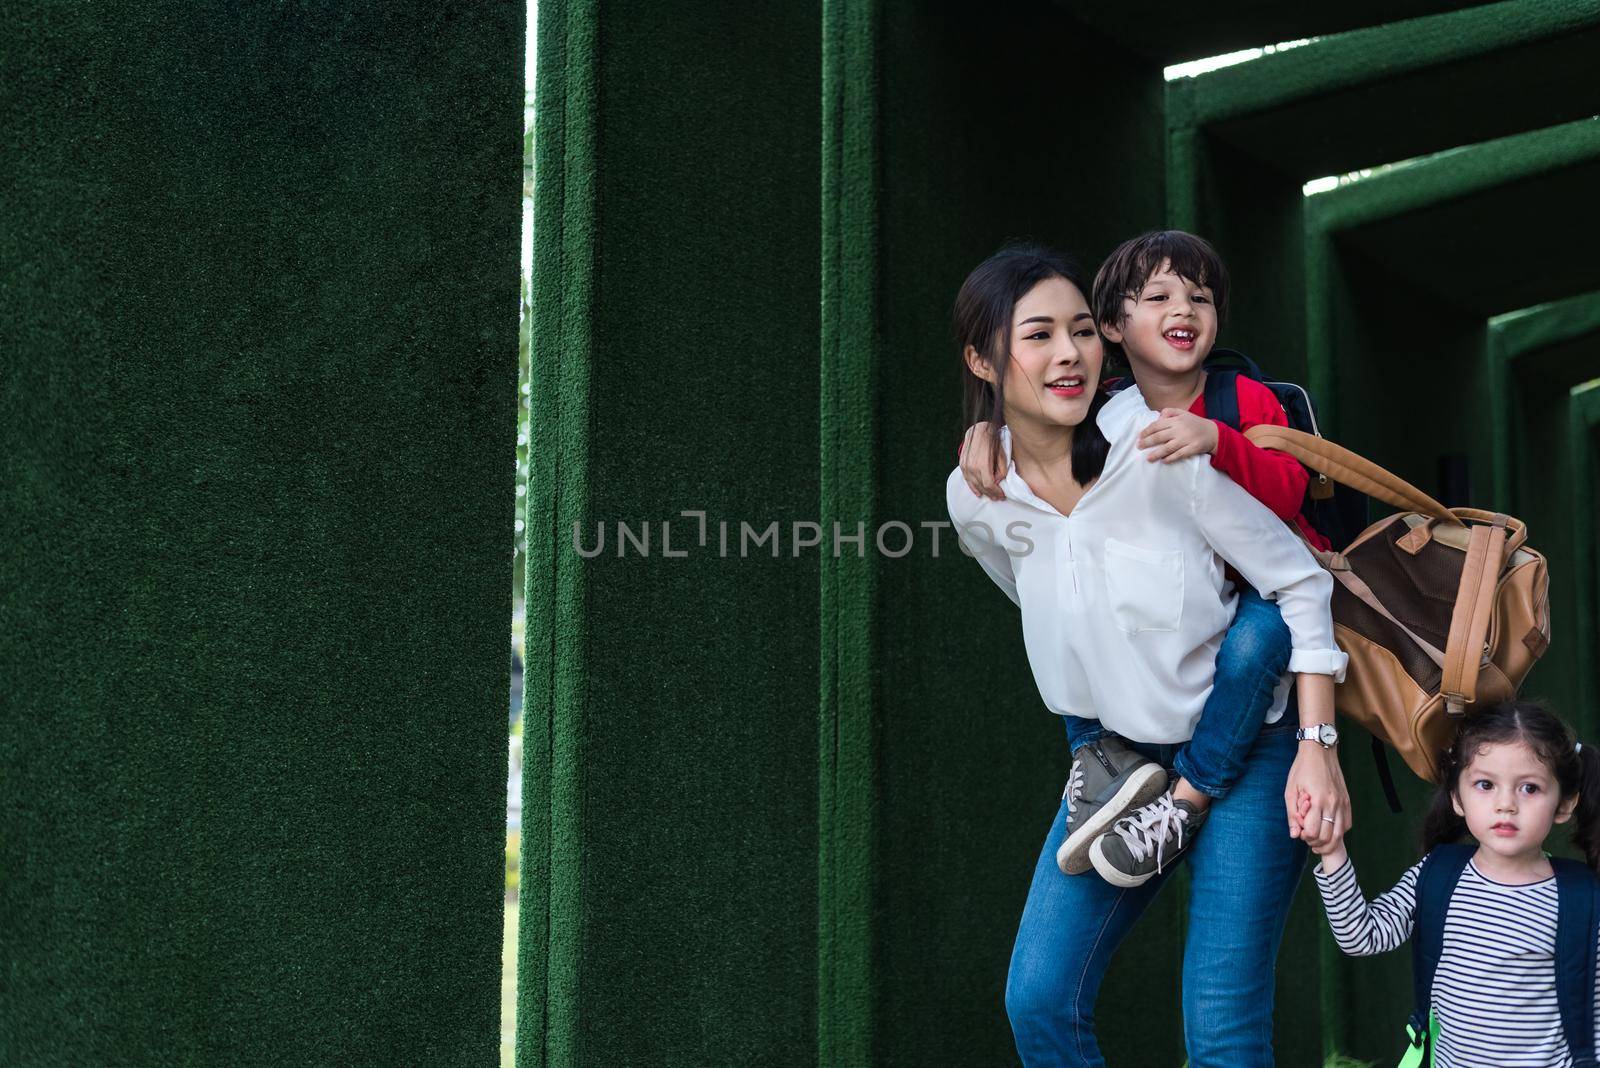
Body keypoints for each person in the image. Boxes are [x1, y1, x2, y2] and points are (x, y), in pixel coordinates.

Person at [945, 243, 1349, 1066]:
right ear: (983, 359)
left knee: (1221, 1030)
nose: (1069, 354)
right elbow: (1035, 592)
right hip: (1115, 763)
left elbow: (1300, 585)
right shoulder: (977, 495)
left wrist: (1318, 749)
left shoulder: (1159, 449)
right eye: (1038, 335)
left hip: (1256, 751)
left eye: (1083, 331)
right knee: (1040, 1000)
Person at [1307, 701, 1600, 1068]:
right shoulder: (1438, 876)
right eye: (1485, 785)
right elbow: (1360, 937)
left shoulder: (1580, 901)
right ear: (1457, 798)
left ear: (1565, 804)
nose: (1505, 804)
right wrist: (1332, 853)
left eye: (1529, 788)